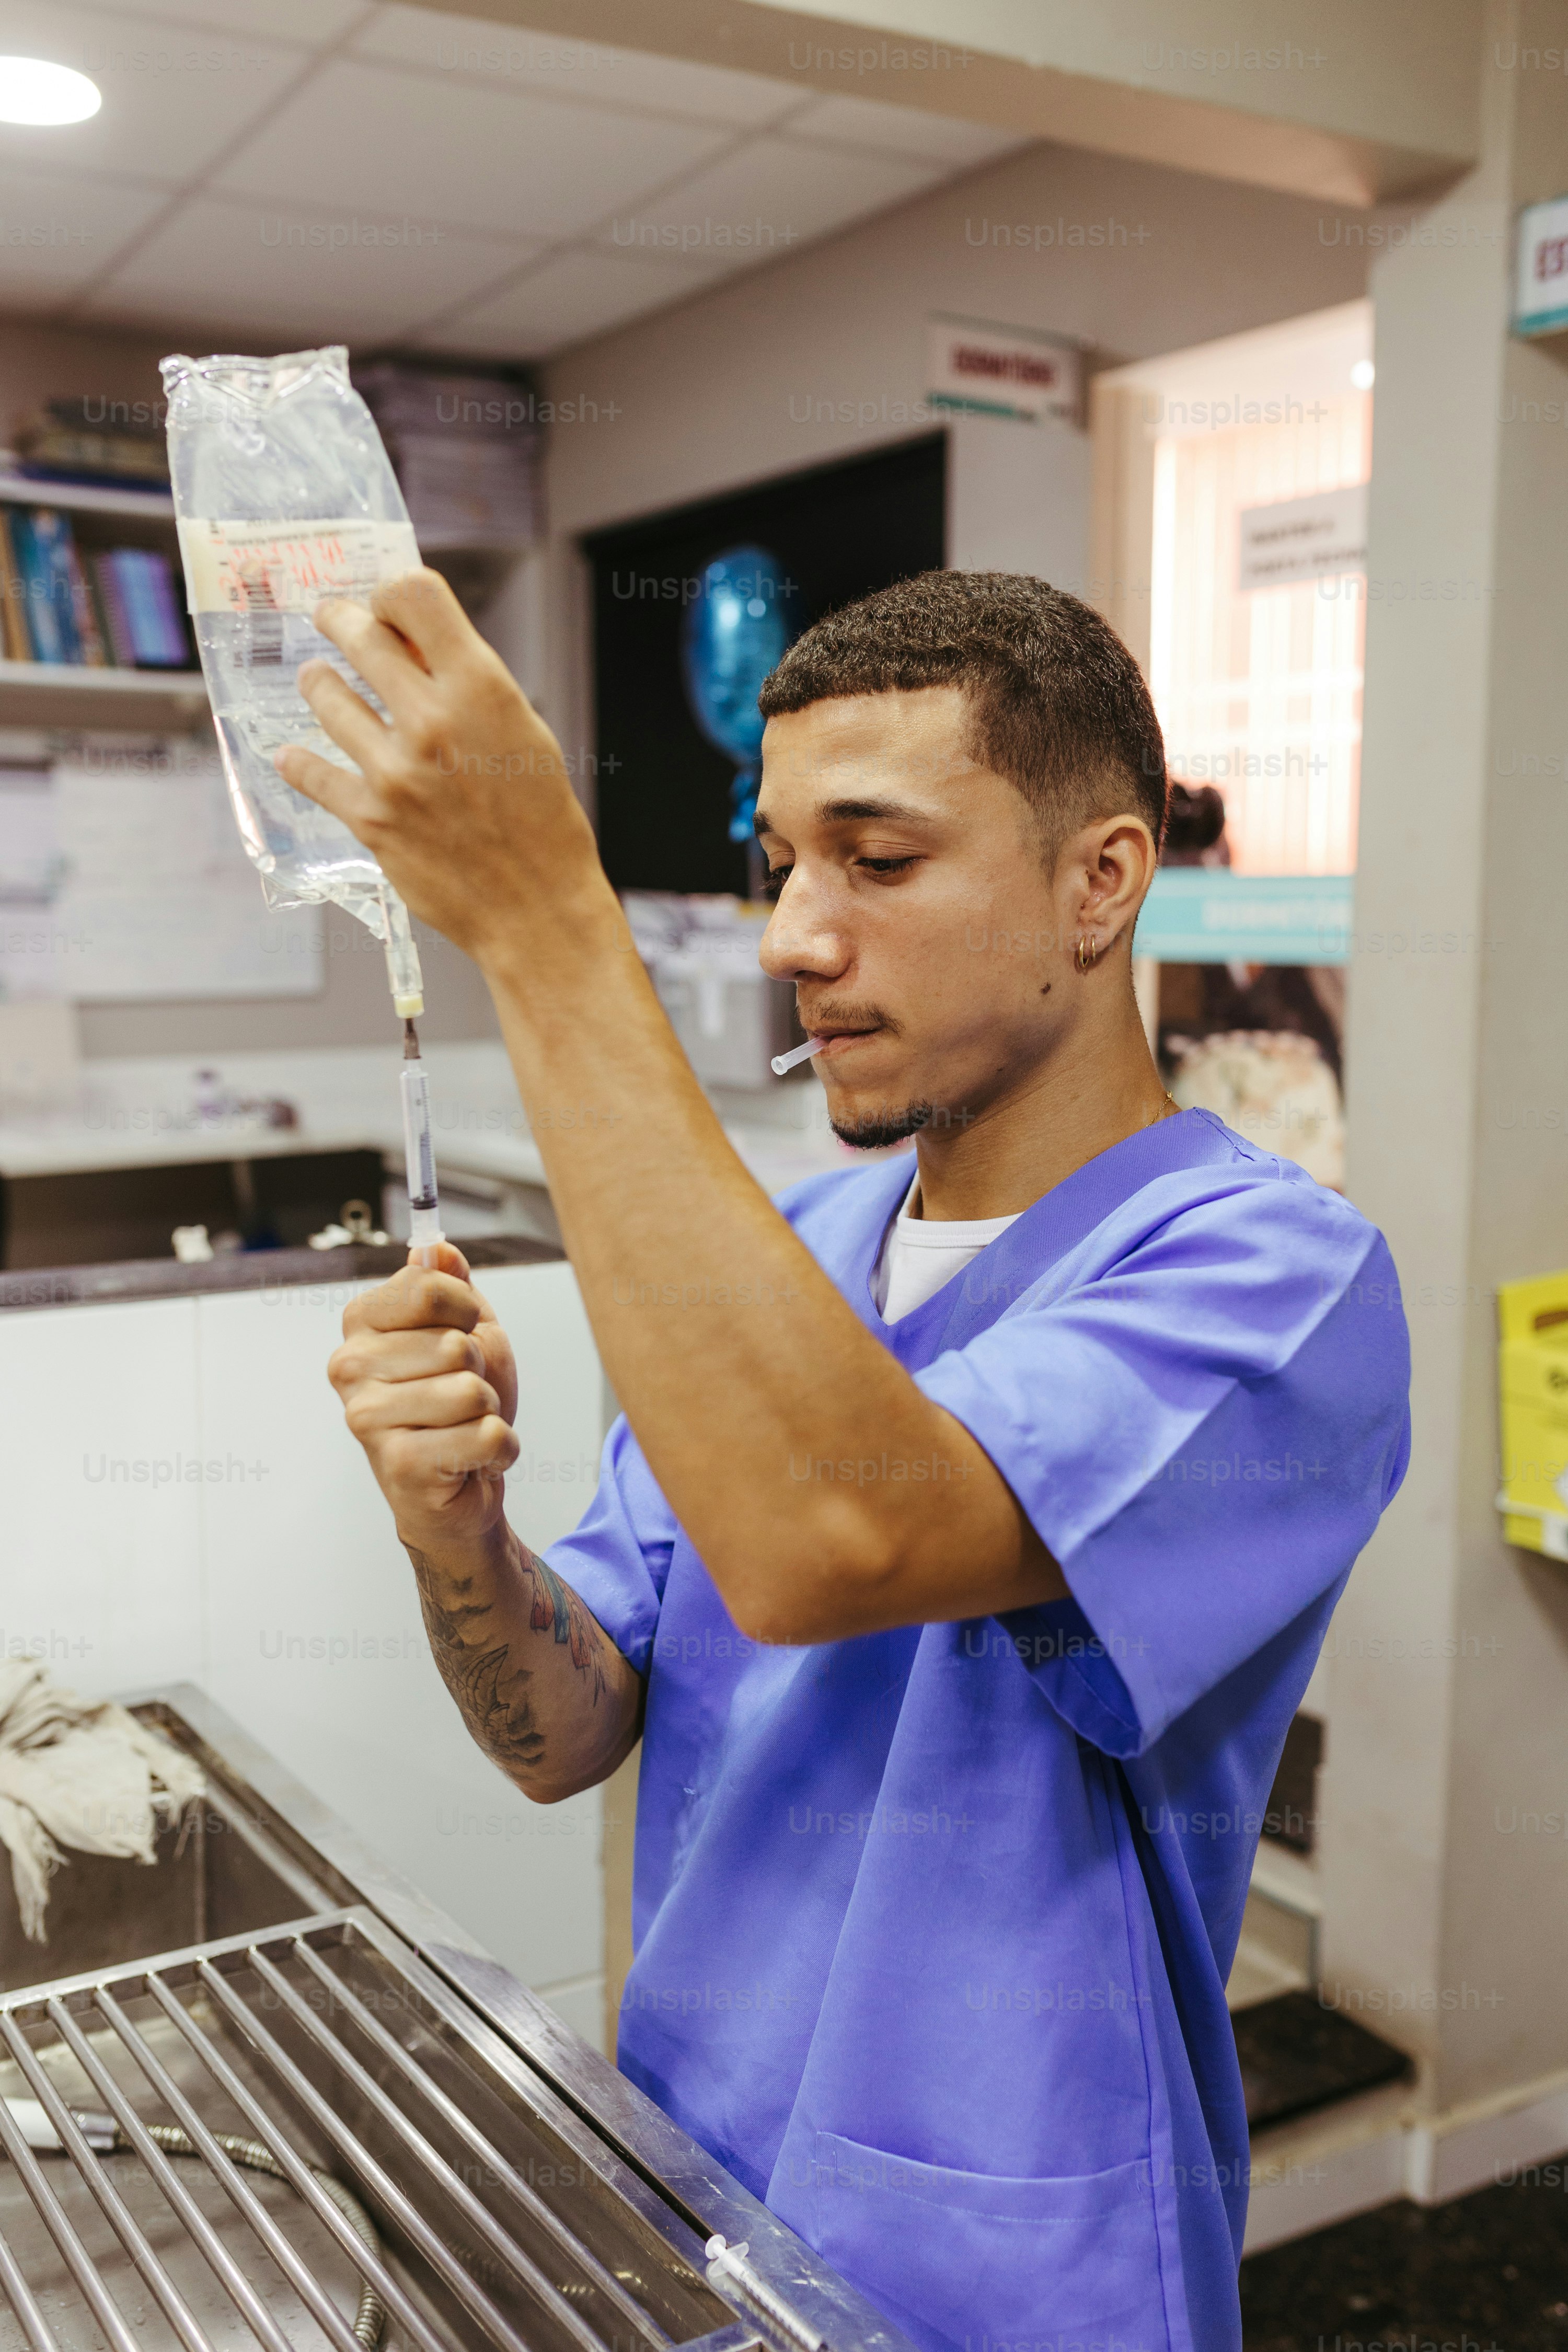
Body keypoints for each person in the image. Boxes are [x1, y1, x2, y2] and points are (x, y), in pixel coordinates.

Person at [296, 568, 1410, 2352]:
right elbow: (562, 1730)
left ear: (1101, 882)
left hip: (1011, 2259)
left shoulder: (1276, 1283)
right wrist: (459, 1535)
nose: (794, 938)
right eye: (781, 864)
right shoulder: (792, 1256)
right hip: (688, 2175)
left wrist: (546, 918)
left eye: (877, 861)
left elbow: (833, 1538)